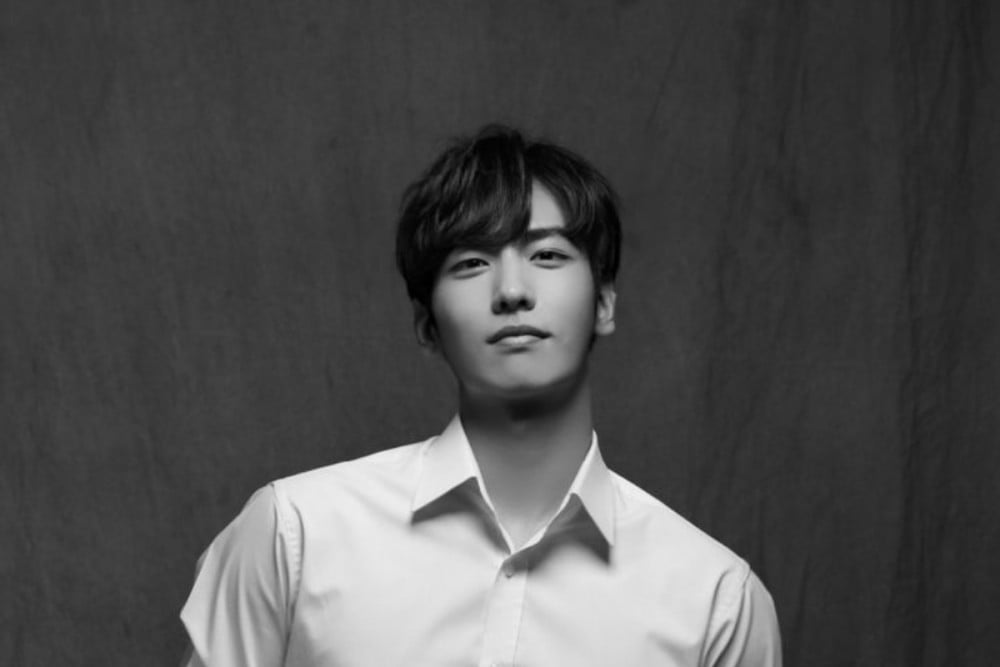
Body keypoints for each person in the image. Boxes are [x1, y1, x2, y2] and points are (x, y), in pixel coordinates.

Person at [180, 125, 782, 666]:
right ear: (426, 325)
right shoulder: (295, 536)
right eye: (471, 262)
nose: (512, 290)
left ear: (603, 303)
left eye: (548, 255)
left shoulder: (716, 602)